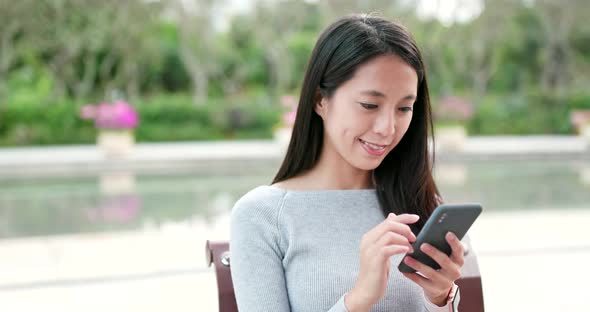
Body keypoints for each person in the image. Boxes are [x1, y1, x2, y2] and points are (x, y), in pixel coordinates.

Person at [230, 14, 464, 312]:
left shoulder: (419, 204)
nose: (387, 128)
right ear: (320, 100)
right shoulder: (263, 216)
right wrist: (358, 300)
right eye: (369, 105)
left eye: (404, 108)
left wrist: (441, 298)